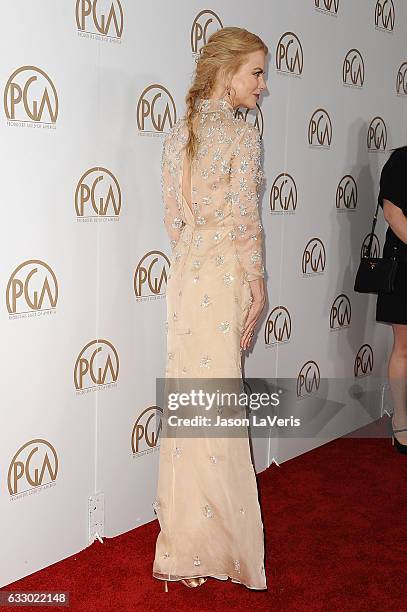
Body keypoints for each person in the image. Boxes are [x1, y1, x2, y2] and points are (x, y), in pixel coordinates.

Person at [152, 27, 269, 590]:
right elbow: (247, 223)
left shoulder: (178, 133)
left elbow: (174, 218)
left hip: (187, 271)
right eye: (257, 73)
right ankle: (221, 550)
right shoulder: (242, 138)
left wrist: (197, 254)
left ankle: (185, 548)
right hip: (222, 274)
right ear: (227, 74)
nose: (263, 87)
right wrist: (258, 284)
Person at [375, 146, 407, 454]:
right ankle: (401, 422)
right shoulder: (401, 160)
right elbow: (392, 214)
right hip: (405, 266)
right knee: (405, 347)